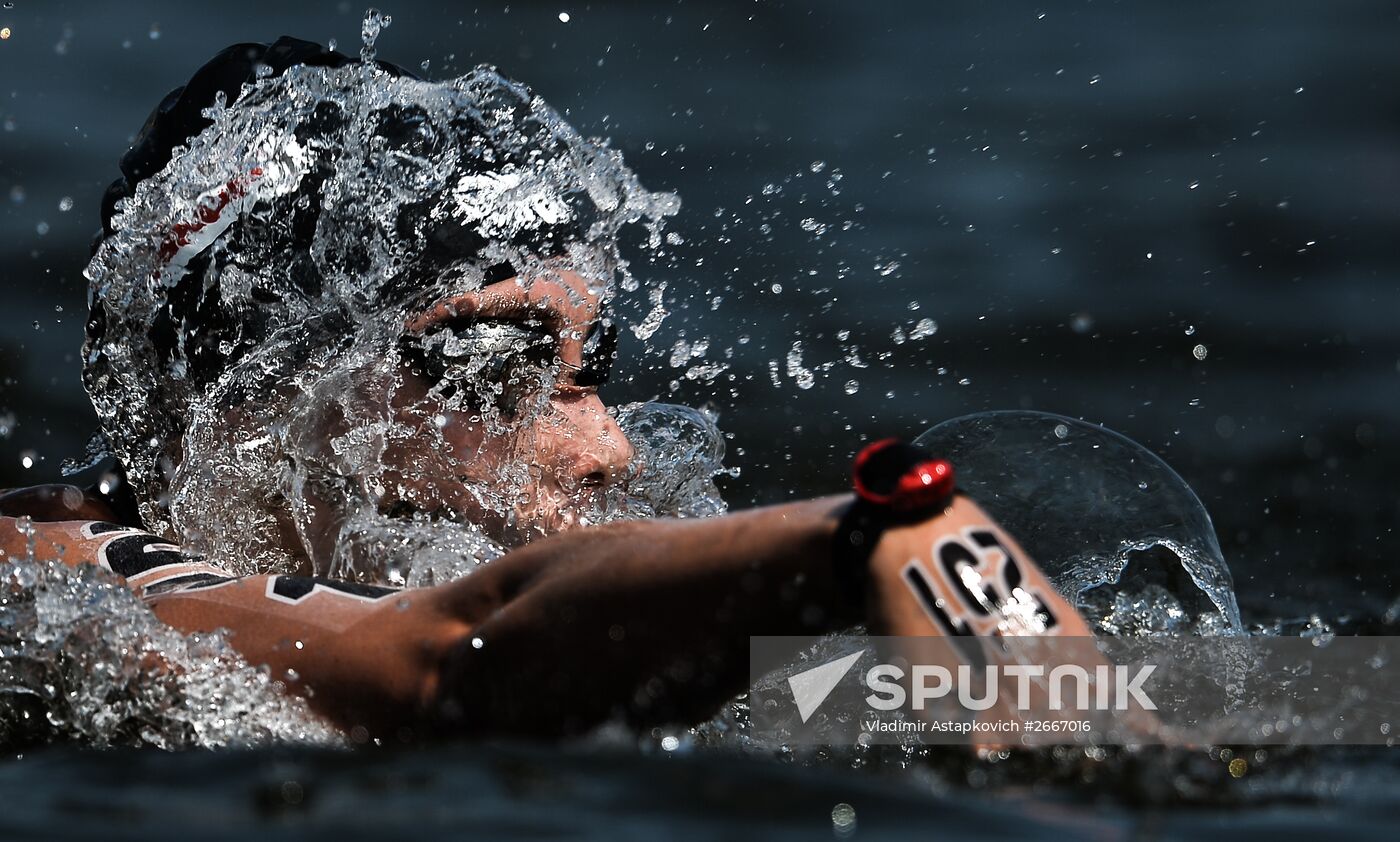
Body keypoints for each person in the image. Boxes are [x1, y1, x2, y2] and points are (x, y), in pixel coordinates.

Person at [0, 37, 1098, 743]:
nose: (606, 446)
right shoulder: (42, 579)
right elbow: (440, 664)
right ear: (242, 405)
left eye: (591, 368)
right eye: (493, 367)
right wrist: (846, 543)